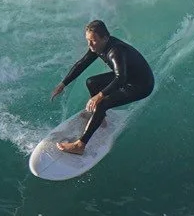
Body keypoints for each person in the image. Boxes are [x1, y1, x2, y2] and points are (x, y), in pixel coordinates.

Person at [50, 19, 155, 154]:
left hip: (141, 85)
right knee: (91, 82)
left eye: (93, 40)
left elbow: (120, 78)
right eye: (88, 40)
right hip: (128, 76)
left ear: (105, 38)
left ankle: (80, 146)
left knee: (102, 103)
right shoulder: (97, 46)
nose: (90, 44)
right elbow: (82, 63)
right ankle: (101, 117)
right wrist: (63, 84)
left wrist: (99, 96)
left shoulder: (115, 51)